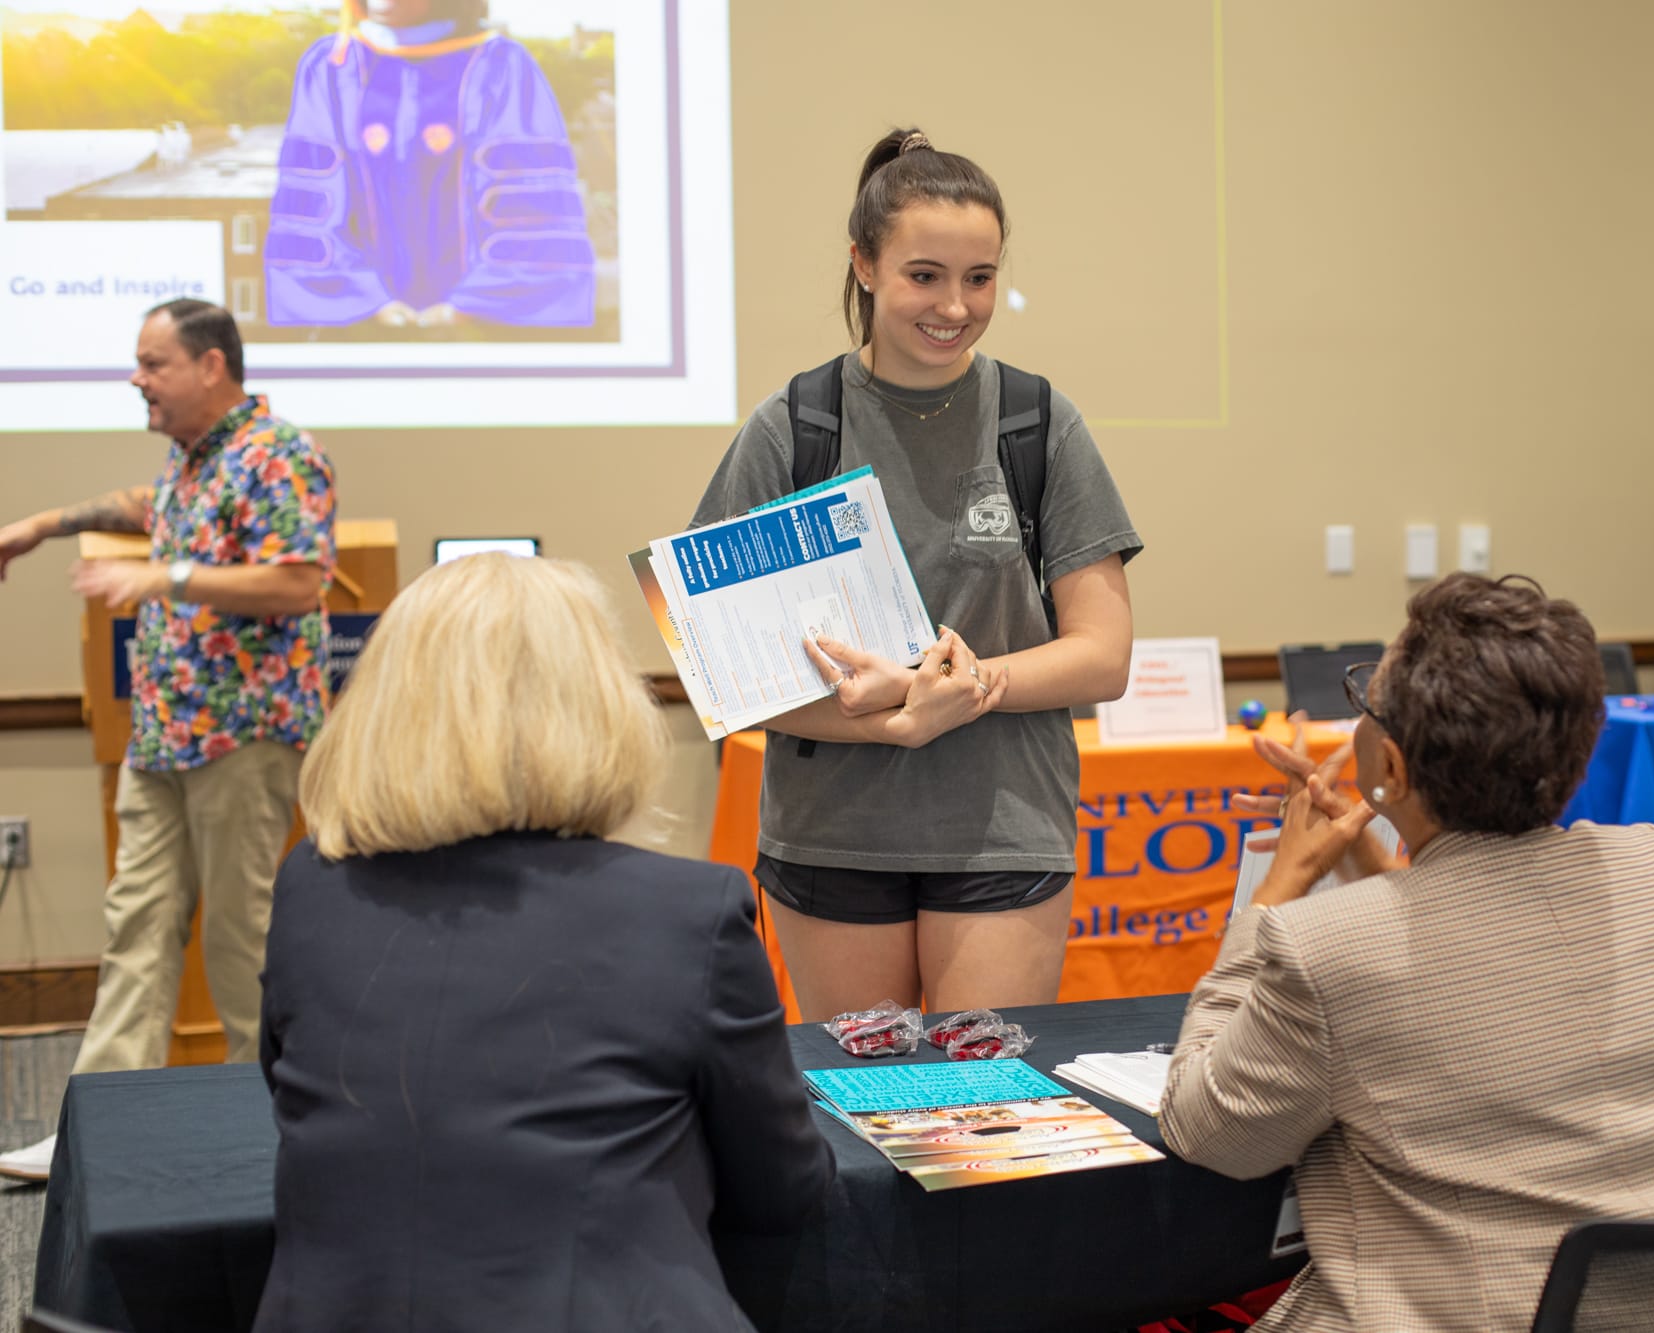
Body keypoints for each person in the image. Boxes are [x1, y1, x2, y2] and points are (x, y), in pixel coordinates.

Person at [253, 553, 834, 1333]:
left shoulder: (312, 891)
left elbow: (302, 1098)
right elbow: (783, 1190)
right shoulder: (687, 911)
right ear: (599, 707)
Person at [1159, 573, 1654, 1331]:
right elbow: (1484, 951)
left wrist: (1280, 884)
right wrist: (1373, 853)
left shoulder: (1325, 947)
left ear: (1394, 769)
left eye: (1366, 700)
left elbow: (1210, 1130)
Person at [691, 128, 1142, 1022]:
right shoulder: (795, 427)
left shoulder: (1037, 422)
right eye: (924, 275)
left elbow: (1103, 655)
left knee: (989, 1122)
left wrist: (967, 687)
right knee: (865, 1118)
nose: (956, 305)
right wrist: (895, 722)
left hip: (1004, 830)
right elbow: (722, 671)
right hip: (833, 834)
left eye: (980, 278)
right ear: (863, 265)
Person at [0, 299, 333, 1183]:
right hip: (164, 736)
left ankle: (258, 1130)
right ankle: (94, 1130)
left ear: (212, 366)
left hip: (242, 737)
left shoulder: (279, 455)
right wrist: (42, 523)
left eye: (154, 363)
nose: (137, 379)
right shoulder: (194, 463)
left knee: (239, 939)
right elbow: (140, 505)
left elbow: (299, 581)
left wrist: (166, 575)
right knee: (135, 927)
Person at [265, 0, 595, 329]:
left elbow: (533, 215)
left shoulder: (502, 67)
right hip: (361, 329)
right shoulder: (331, 66)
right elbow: (308, 217)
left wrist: (468, 307)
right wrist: (369, 303)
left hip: (479, 337)